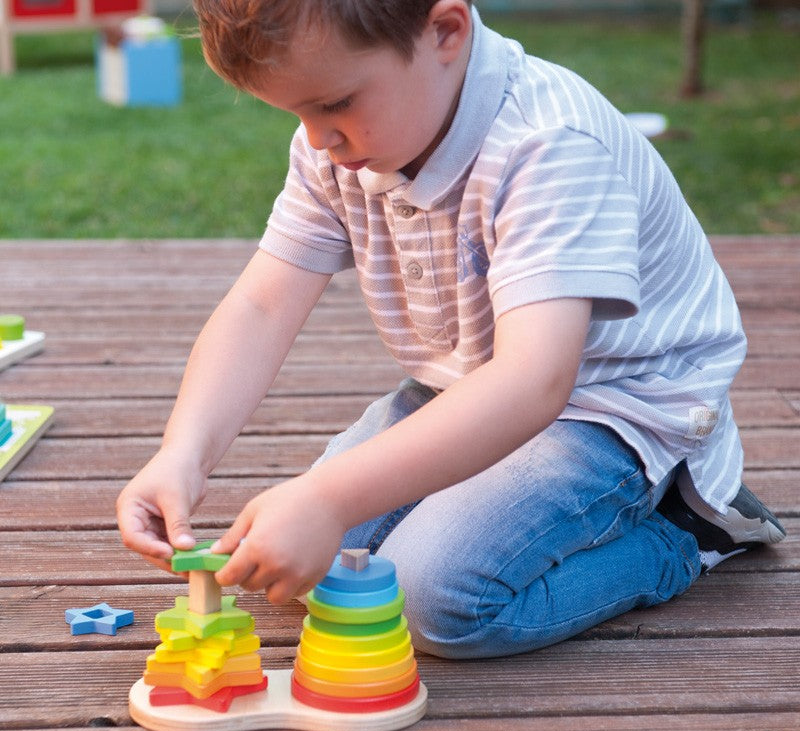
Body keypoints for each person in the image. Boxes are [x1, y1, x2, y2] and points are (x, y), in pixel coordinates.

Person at [116, 0, 785, 659]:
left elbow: (534, 380)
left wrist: (324, 498)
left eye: (334, 104)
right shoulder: (343, 146)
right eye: (295, 113)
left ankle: (682, 536)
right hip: (470, 387)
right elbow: (262, 307)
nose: (317, 140)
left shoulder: (548, 144)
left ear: (444, 32)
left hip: (613, 409)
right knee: (320, 567)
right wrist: (184, 453)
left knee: (429, 600)